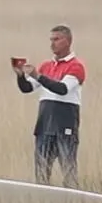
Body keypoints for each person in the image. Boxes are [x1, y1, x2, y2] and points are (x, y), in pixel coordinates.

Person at [14, 24, 86, 188]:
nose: (52, 44)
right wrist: (20, 77)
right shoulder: (46, 66)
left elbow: (62, 89)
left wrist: (38, 76)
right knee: (41, 174)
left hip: (65, 126)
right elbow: (27, 88)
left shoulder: (76, 66)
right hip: (44, 125)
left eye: (57, 39)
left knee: (68, 172)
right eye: (51, 40)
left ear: (68, 41)